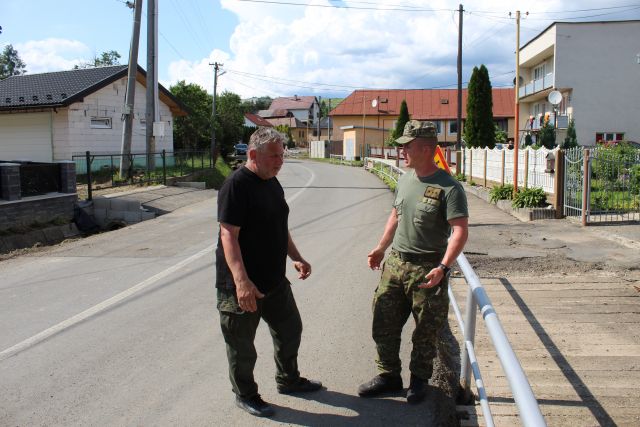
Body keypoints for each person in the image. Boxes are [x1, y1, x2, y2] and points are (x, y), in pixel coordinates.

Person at [358, 120, 469, 404]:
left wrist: (443, 267)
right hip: (396, 263)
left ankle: (419, 381)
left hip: (427, 268)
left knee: (425, 331)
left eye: (407, 146)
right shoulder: (406, 180)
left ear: (427, 149)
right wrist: (381, 248)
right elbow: (396, 215)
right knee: (383, 322)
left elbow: (459, 231)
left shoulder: (449, 188)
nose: (402, 151)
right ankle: (388, 376)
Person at [216, 127, 322, 418]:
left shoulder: (272, 182)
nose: (280, 161)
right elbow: (228, 234)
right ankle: (245, 394)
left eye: (282, 155)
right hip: (242, 285)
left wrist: (296, 257)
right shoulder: (236, 185)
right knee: (242, 347)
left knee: (290, 330)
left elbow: (279, 226)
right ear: (253, 154)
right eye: (274, 156)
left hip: (274, 281)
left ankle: (288, 379)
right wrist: (241, 282)